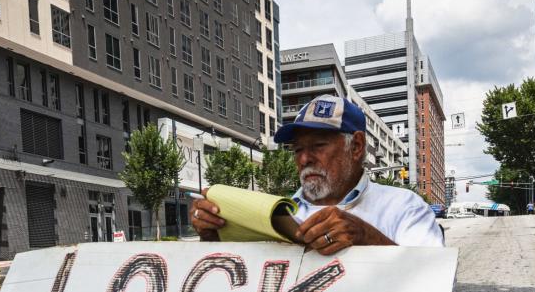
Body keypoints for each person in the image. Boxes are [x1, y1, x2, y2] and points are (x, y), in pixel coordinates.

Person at [190, 94, 444, 249]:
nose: (304, 158)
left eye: (318, 146)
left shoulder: (403, 206)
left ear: (356, 147)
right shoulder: (278, 213)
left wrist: (367, 237)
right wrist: (212, 236)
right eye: (297, 149)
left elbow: (434, 284)